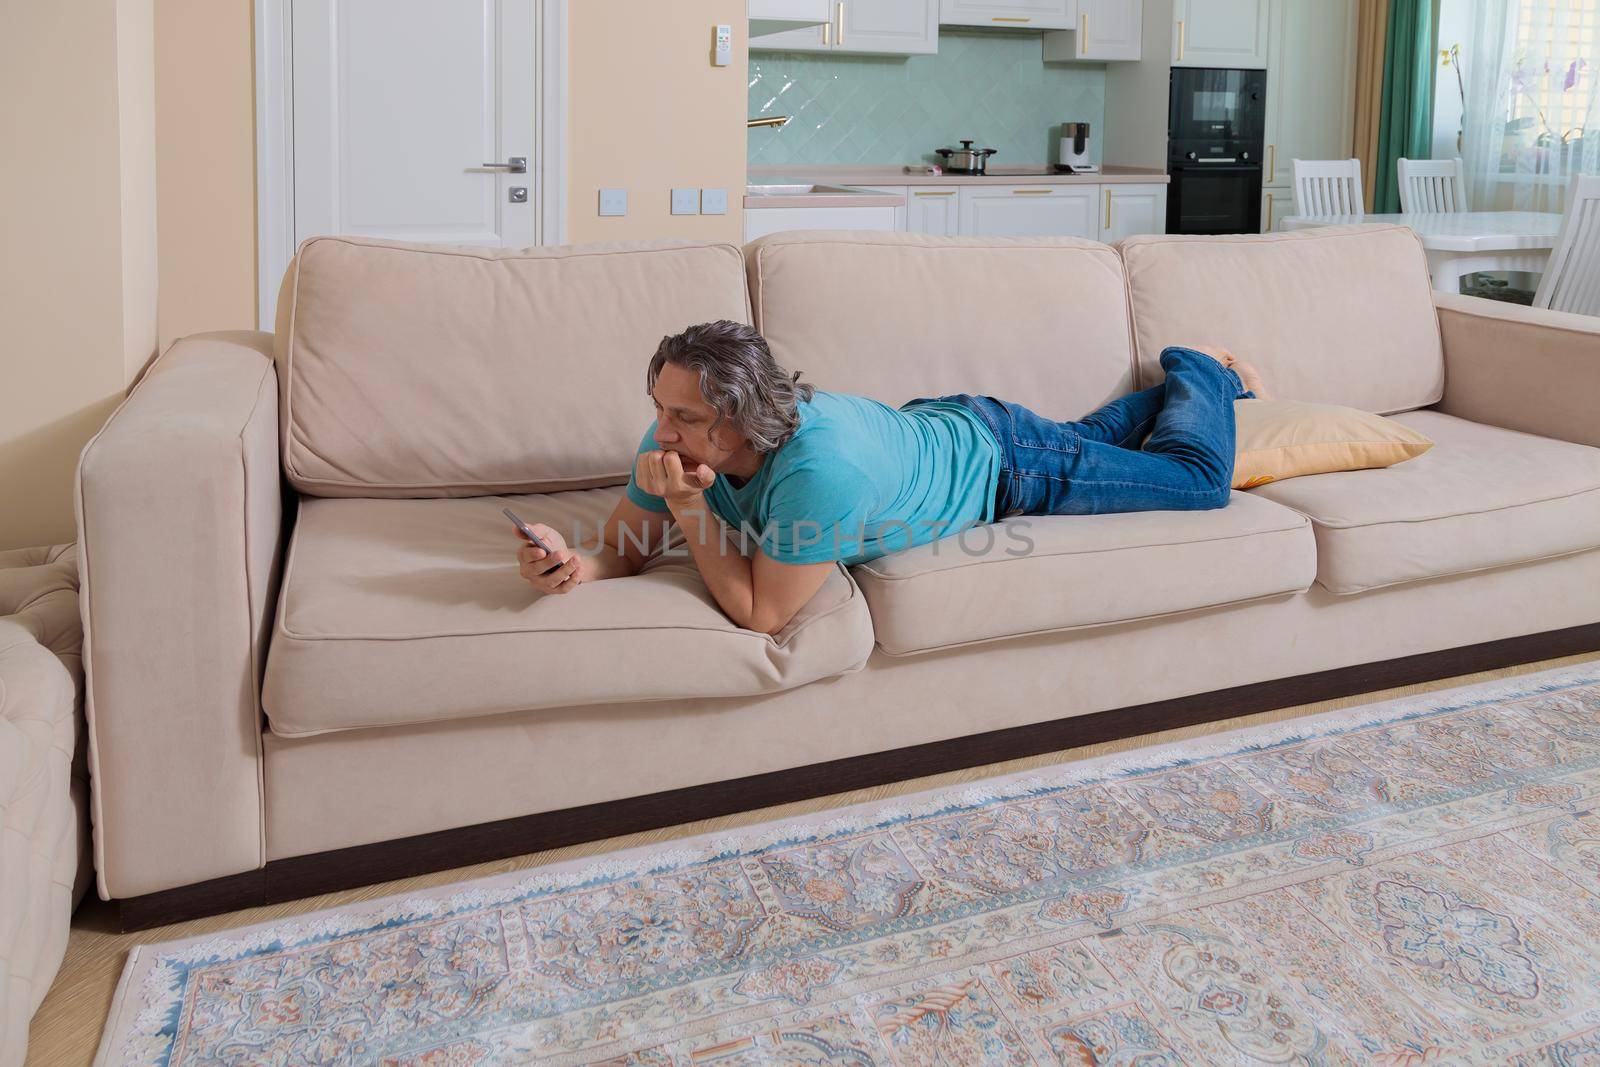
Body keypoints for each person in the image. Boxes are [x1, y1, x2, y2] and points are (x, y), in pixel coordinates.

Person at [515, 320, 1271, 636]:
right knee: (1082, 440)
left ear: (743, 419)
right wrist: (568, 562)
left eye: (682, 416)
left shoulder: (820, 470)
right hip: (943, 426)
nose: (662, 431)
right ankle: (1186, 391)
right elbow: (626, 548)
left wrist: (691, 509)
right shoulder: (678, 440)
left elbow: (762, 613)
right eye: (660, 410)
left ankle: (1201, 368)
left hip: (1006, 464)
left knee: (1198, 478)